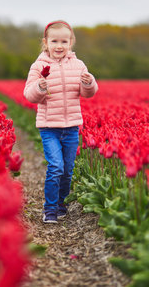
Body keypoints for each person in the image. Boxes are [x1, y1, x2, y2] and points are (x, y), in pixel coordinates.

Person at [23, 20, 98, 223]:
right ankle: (50, 210)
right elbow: (29, 95)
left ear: (70, 43)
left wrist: (89, 83)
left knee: (67, 169)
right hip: (49, 127)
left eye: (64, 41)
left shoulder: (78, 65)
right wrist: (39, 87)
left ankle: (61, 204)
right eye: (54, 41)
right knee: (55, 166)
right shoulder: (38, 66)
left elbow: (86, 93)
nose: (59, 46)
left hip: (72, 126)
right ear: (45, 42)